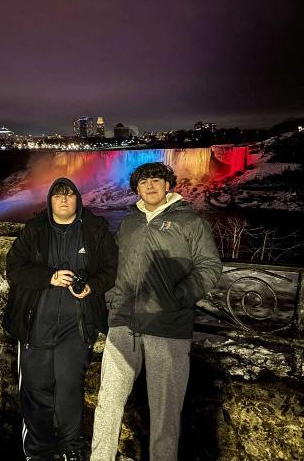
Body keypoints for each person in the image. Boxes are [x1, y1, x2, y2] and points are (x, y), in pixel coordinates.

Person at [91, 162, 222, 461]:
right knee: (108, 402)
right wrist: (110, 298)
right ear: (136, 189)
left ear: (167, 185)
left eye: (156, 180)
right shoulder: (129, 223)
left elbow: (209, 266)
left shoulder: (191, 223)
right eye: (143, 182)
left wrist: (177, 297)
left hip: (167, 326)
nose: (150, 186)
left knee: (165, 412)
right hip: (123, 323)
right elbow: (114, 266)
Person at [3, 177, 117, 461]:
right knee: (35, 389)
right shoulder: (35, 229)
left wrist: (91, 286)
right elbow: (14, 267)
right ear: (50, 201)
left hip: (76, 327)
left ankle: (70, 447)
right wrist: (49, 277)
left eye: (69, 195)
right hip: (36, 324)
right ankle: (38, 451)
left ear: (78, 199)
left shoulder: (95, 229)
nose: (64, 200)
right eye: (58, 195)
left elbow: (110, 269)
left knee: (69, 388)